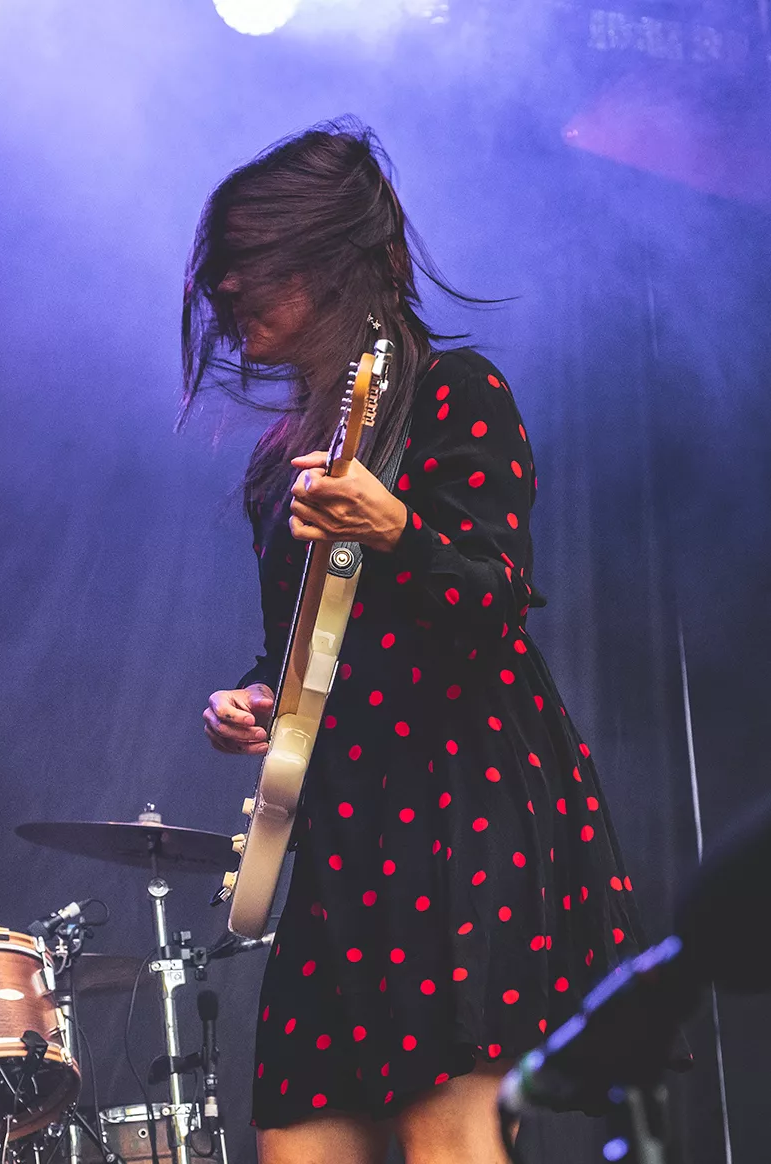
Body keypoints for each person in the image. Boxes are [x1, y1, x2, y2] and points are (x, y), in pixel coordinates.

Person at [184, 121, 663, 1164]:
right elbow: (308, 642)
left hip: (460, 804)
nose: (225, 286)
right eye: (223, 262)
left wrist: (397, 528)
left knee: (449, 1140)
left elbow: (494, 604)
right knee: (294, 1142)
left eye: (254, 260)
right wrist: (259, 697)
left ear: (330, 264)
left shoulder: (458, 392)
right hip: (345, 830)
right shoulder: (283, 456)